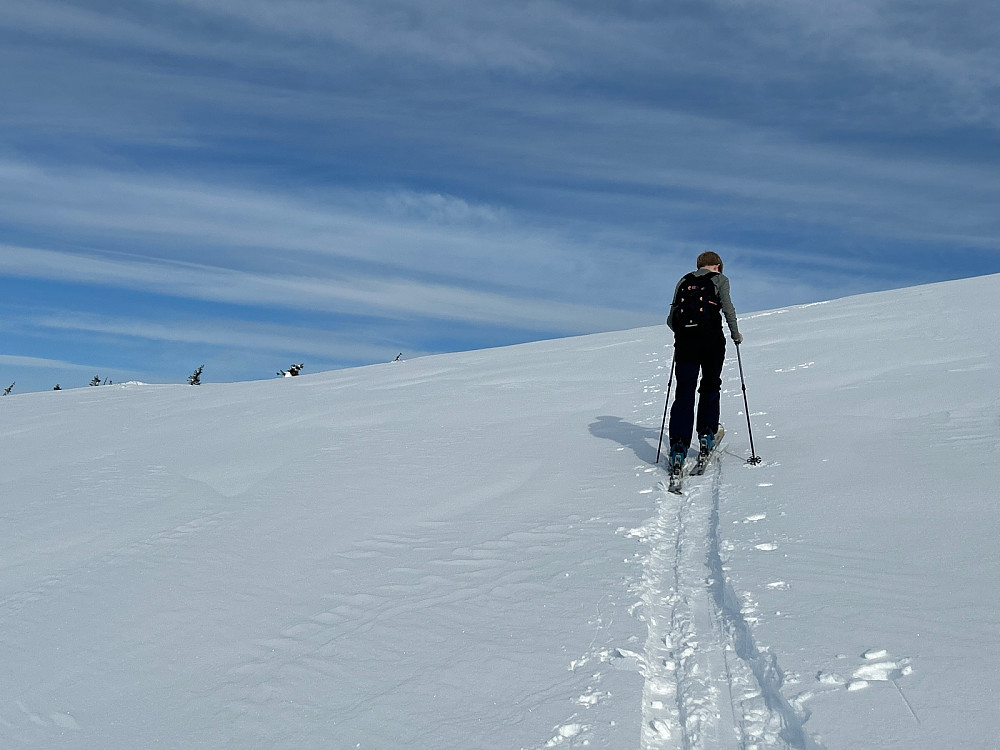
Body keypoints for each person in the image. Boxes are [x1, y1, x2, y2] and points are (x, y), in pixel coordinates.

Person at [665, 251, 742, 473]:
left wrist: (686, 333)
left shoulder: (684, 280)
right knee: (709, 385)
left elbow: (671, 319)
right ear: (717, 265)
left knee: (684, 391)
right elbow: (727, 308)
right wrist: (735, 335)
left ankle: (678, 447)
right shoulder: (720, 280)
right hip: (711, 342)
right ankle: (707, 435)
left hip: (685, 345)